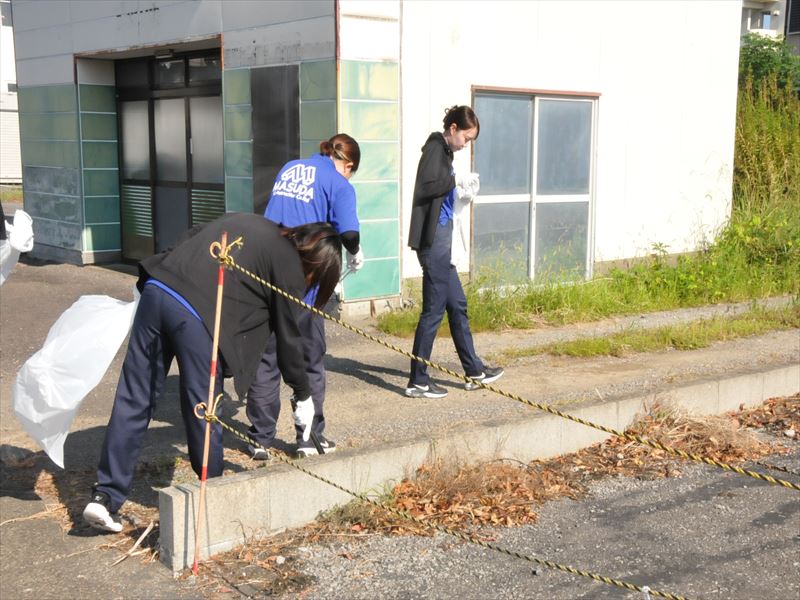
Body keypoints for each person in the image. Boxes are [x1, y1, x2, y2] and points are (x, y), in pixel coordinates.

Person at [82, 213, 342, 532]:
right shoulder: (288, 264)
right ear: (317, 266)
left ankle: (105, 496)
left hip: (157, 291)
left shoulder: (250, 221)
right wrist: (303, 395)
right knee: (204, 411)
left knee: (135, 399)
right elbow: (290, 341)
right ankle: (212, 498)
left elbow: (189, 234)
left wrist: (162, 281)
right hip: (196, 316)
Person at [246, 134, 364, 459]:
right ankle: (309, 438)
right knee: (309, 358)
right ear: (348, 164)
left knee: (267, 357)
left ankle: (260, 439)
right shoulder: (339, 184)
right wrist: (355, 252)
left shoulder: (291, 168)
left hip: (268, 274)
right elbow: (350, 232)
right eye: (351, 171)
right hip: (305, 285)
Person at [405, 105, 504, 399]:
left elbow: (441, 191)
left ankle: (474, 371)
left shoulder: (445, 153)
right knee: (433, 312)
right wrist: (454, 181)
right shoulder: (435, 148)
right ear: (453, 129)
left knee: (457, 305)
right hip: (433, 241)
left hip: (443, 240)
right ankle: (418, 380)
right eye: (466, 137)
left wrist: (460, 192)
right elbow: (425, 188)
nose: (466, 144)